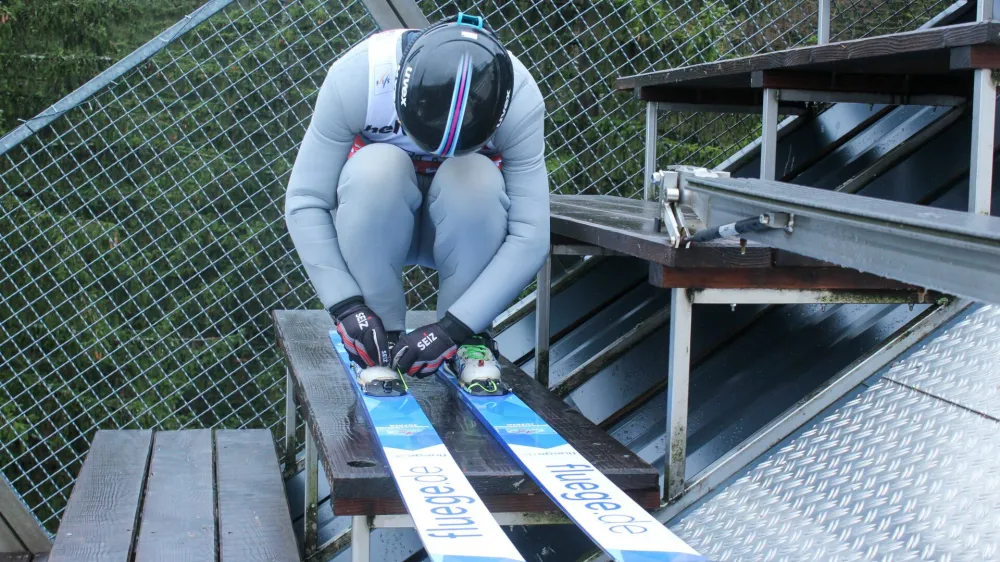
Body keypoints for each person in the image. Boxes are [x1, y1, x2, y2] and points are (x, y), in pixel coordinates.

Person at [284, 13, 549, 391]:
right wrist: (347, 306)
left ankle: (471, 342)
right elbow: (306, 200)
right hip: (381, 219)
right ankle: (378, 336)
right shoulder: (359, 77)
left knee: (475, 176)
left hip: (464, 226)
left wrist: (457, 326)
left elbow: (531, 234)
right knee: (376, 168)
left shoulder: (519, 98)